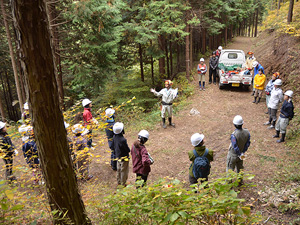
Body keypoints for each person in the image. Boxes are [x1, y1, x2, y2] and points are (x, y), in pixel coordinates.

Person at [112, 122, 130, 187]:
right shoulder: (123, 140)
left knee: (119, 169)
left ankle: (119, 182)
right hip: (124, 157)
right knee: (123, 170)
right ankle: (123, 183)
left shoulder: (114, 137)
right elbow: (127, 149)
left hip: (117, 156)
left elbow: (113, 146)